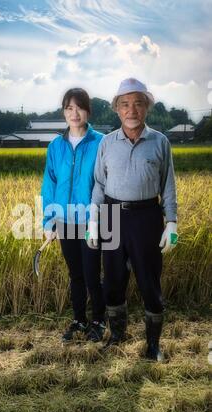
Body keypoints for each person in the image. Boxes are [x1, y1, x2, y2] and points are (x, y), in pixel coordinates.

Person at [90, 78, 178, 361]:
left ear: (147, 108)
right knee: (113, 281)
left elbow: (168, 185)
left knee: (149, 282)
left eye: (138, 103)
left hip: (147, 217)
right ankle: (117, 335)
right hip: (112, 215)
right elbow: (99, 185)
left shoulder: (160, 142)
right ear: (117, 109)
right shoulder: (106, 143)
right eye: (125, 104)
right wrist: (94, 221)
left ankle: (153, 344)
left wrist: (172, 223)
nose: (132, 110)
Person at [41, 88, 106, 342]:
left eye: (79, 107)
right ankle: (79, 320)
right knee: (75, 274)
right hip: (65, 220)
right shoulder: (56, 146)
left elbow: (105, 182)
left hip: (94, 220)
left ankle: (99, 320)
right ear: (64, 112)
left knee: (92, 273)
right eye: (69, 108)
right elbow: (49, 184)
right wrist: (48, 220)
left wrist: (98, 219)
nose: (74, 113)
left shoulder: (101, 142)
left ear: (88, 111)